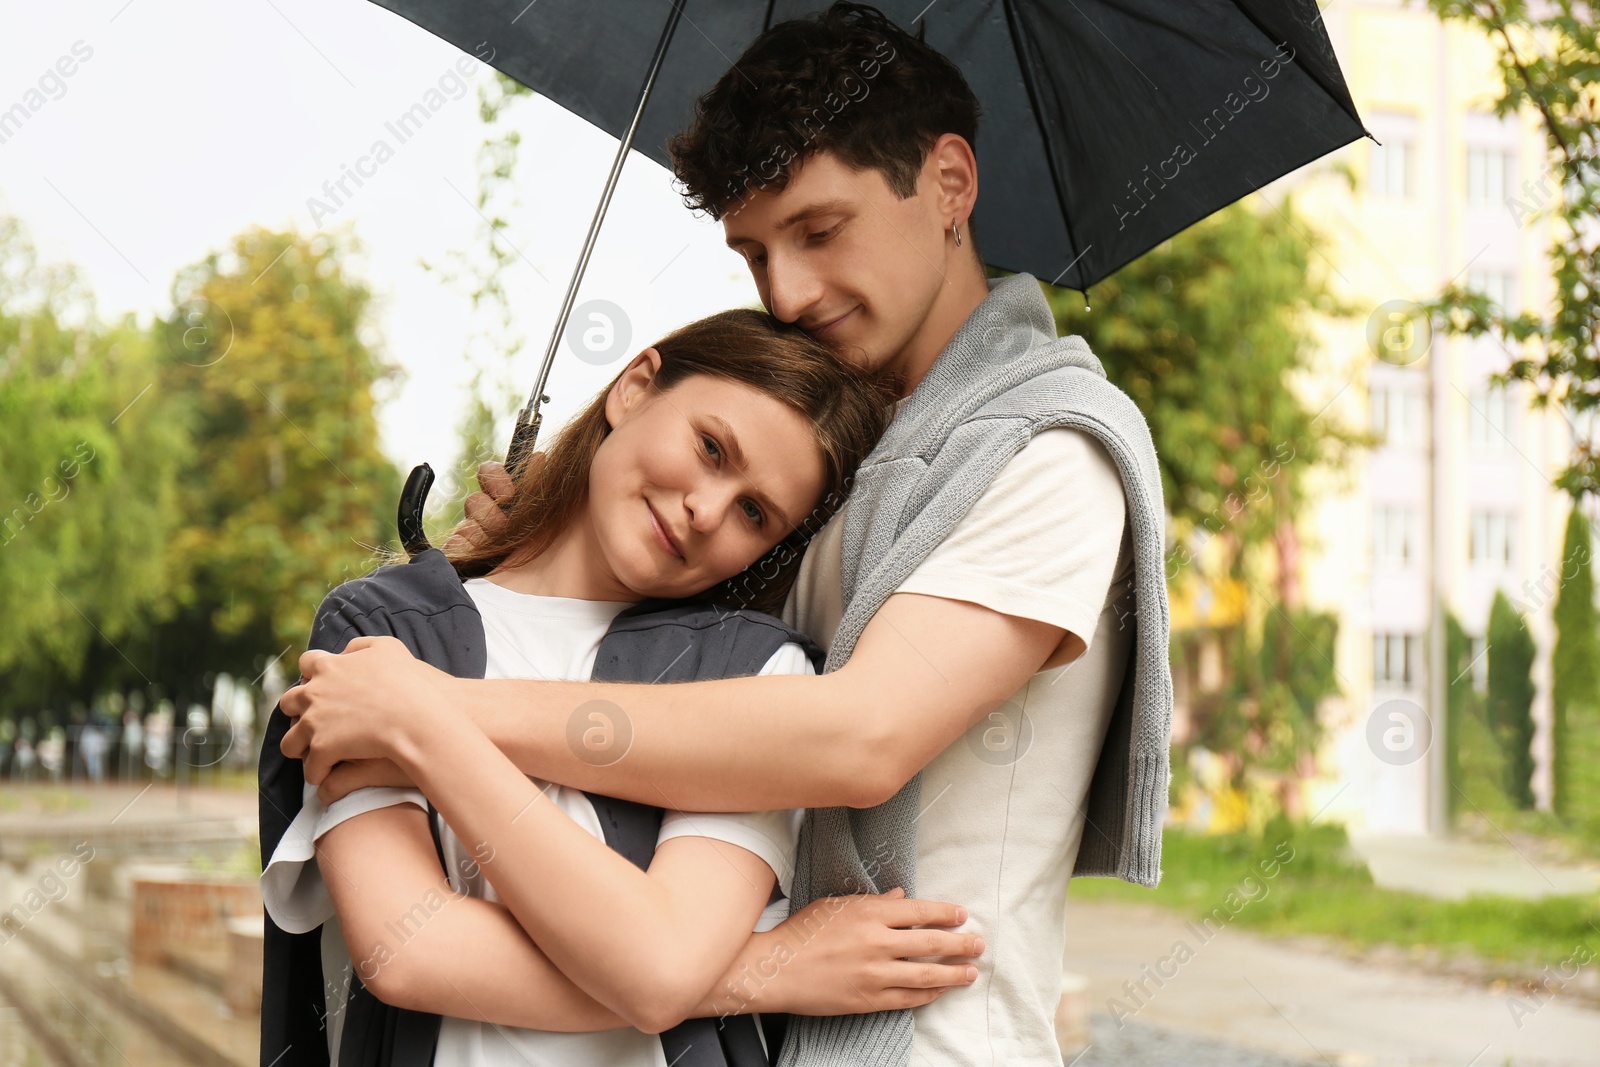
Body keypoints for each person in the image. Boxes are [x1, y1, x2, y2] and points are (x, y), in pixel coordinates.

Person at [281, 5, 1173, 1065]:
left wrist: (436, 711)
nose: (787, 292)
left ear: (948, 183)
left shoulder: (1046, 451)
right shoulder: (845, 476)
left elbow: (856, 737)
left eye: (820, 231)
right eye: (753, 253)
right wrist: (527, 573)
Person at [259, 309, 985, 1067]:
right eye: (710, 447)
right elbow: (407, 949)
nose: (706, 509)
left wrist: (421, 722)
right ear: (635, 386)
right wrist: (773, 968)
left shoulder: (749, 675)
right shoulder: (384, 628)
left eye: (753, 511)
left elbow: (661, 966)